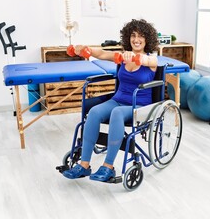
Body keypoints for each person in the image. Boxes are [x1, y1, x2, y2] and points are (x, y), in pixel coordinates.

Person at [62, 19, 159, 182]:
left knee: (116, 113)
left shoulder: (152, 60)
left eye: (140, 36)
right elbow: (101, 54)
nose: (136, 39)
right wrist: (85, 49)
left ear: (147, 39)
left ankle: (108, 167)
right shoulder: (122, 57)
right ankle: (84, 165)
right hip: (118, 99)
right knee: (93, 112)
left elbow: (145, 61)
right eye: (133, 35)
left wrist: (135, 57)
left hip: (139, 105)